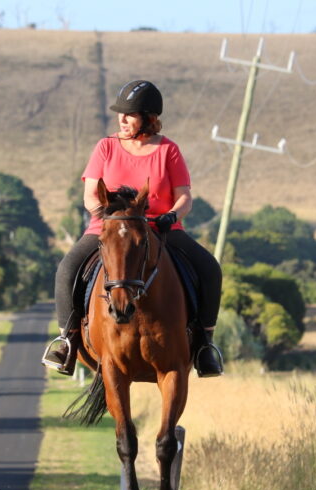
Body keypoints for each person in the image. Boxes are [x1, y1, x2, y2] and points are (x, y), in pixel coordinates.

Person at [41, 79, 223, 378]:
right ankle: (67, 340)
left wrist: (170, 216)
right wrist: (105, 217)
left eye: (130, 114)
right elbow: (89, 194)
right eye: (120, 114)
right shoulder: (106, 147)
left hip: (162, 230)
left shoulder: (169, 150)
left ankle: (204, 344)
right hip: (109, 229)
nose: (122, 119)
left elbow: (185, 196)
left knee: (209, 268)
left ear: (149, 118)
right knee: (66, 268)